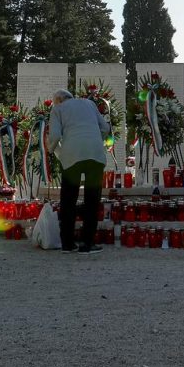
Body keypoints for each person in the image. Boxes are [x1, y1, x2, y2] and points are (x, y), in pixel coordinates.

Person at [46, 89, 110, 254]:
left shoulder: (58, 109)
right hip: (94, 154)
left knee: (68, 200)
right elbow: (105, 127)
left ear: (58, 101)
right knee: (92, 199)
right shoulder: (89, 103)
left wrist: (50, 150)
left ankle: (68, 243)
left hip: (71, 156)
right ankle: (87, 244)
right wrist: (94, 139)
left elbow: (54, 135)